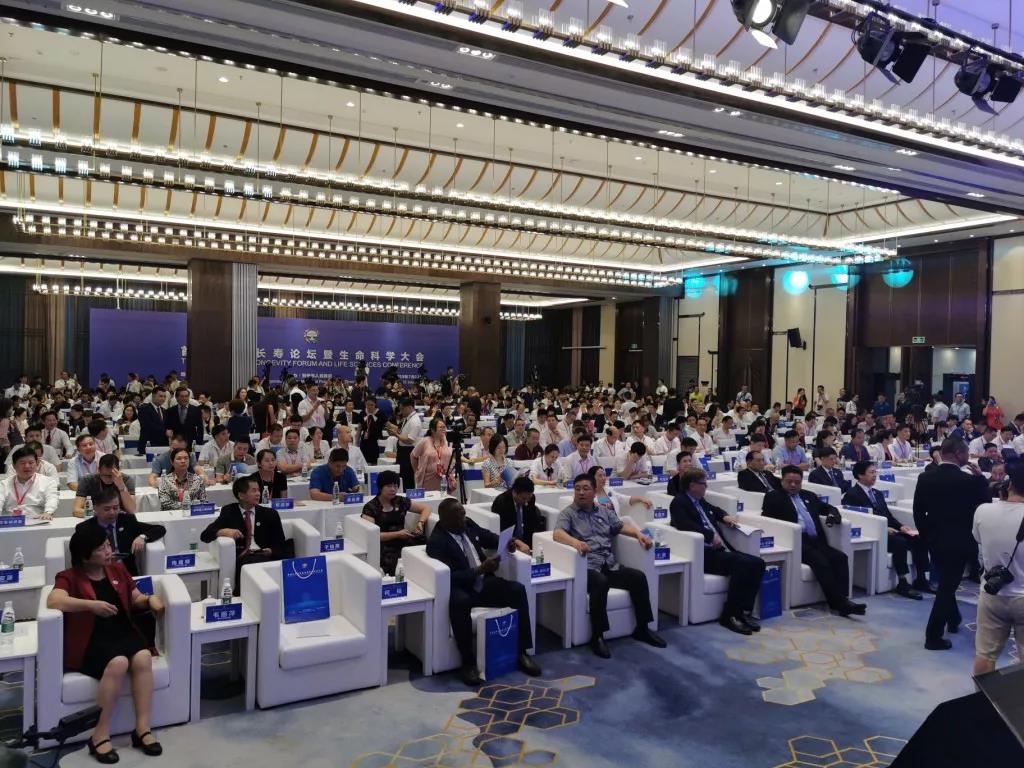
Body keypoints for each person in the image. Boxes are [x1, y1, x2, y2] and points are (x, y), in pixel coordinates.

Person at [48, 525, 166, 762]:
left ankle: (142, 729)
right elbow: (54, 600)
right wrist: (91, 606)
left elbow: (134, 597)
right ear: (85, 556)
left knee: (143, 657)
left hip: (121, 631)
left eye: (108, 545)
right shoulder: (68, 577)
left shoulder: (117, 569)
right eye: (101, 548)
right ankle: (100, 735)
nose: (108, 551)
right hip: (91, 639)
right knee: (119, 662)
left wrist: (150, 599)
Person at [426, 497, 541, 686]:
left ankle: (522, 652)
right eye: (459, 516)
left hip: (484, 582)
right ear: (446, 520)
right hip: (461, 587)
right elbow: (451, 576)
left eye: (464, 513)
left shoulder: (467, 524)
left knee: (517, 590)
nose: (464, 518)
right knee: (460, 603)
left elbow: (487, 536)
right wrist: (479, 570)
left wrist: (508, 542)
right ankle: (468, 662)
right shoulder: (437, 541)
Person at [553, 474, 666, 658]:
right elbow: (557, 533)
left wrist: (639, 534)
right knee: (601, 582)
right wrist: (575, 542)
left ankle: (643, 628)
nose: (581, 492)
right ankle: (597, 636)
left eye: (585, 489)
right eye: (577, 489)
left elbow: (620, 526)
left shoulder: (604, 511)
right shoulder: (568, 513)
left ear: (594, 491)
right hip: (586, 566)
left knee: (638, 577)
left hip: (609, 563)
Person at [913, 438, 991, 650]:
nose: (968, 457)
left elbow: (918, 511)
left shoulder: (926, 477)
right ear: (958, 454)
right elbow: (986, 506)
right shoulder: (970, 481)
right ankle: (933, 636)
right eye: (966, 453)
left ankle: (954, 617)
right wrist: (981, 479)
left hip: (934, 540)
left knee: (947, 582)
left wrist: (926, 536)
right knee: (948, 586)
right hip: (960, 541)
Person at [670, 468, 764, 635]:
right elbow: (684, 524)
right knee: (742, 565)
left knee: (758, 563)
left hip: (720, 550)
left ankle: (742, 611)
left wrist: (724, 516)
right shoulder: (679, 502)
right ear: (692, 485)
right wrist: (709, 536)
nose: (706, 487)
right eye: (703, 484)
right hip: (704, 554)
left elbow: (714, 509)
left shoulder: (699, 500)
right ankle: (730, 615)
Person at [762, 466, 866, 617]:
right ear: (782, 481)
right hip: (796, 541)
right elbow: (767, 520)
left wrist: (833, 515)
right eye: (789, 482)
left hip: (816, 540)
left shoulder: (808, 495)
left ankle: (844, 598)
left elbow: (829, 508)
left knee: (840, 558)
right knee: (821, 562)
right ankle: (839, 604)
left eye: (797, 482)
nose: (793, 485)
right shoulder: (773, 497)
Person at [843, 461, 930, 599]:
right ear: (860, 475)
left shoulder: (877, 493)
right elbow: (858, 519)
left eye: (875, 472)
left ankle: (921, 579)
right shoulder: (852, 494)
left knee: (919, 538)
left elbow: (888, 515)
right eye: (871, 472)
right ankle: (902, 582)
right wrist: (884, 528)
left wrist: (900, 526)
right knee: (900, 542)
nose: (875, 475)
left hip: (890, 529)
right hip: (875, 532)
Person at [972, 465, 1024, 675]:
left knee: (985, 655)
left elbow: (977, 538)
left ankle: (981, 695)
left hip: (992, 592)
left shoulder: (983, 511)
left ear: (1009, 485)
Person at [201, 475, 287, 592]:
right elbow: (205, 535)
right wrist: (223, 531)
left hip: (265, 556)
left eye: (258, 490)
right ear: (241, 495)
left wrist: (271, 551)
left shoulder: (270, 514)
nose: (258, 494)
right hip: (243, 557)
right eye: (253, 491)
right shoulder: (229, 512)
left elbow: (281, 543)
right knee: (249, 564)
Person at [79, 485, 165, 576]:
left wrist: (142, 537)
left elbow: (160, 529)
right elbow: (79, 559)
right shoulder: (85, 528)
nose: (112, 512)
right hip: (99, 573)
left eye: (116, 508)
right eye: (107, 509)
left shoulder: (127, 520)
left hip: (126, 572)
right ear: (95, 509)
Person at [361, 469, 429, 575]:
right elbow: (372, 535)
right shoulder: (370, 507)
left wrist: (420, 522)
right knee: (394, 560)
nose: (393, 489)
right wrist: (397, 534)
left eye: (395, 486)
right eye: (389, 486)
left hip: (403, 540)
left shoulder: (401, 501)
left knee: (425, 549)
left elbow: (426, 508)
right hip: (384, 544)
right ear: (380, 487)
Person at [0, 445, 59, 519]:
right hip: (11, 522)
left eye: (31, 463)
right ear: (14, 466)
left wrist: (48, 512)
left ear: (37, 463)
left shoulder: (48, 482)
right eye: (22, 463)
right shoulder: (4, 484)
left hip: (37, 520)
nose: (27, 466)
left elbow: (52, 499)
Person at [491, 476, 545, 552]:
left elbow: (532, 522)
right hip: (510, 543)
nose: (526, 502)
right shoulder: (501, 503)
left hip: (526, 540)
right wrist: (517, 542)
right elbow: (503, 530)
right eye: (524, 498)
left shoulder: (530, 499)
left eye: (529, 498)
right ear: (514, 492)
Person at [389, 398, 423, 492]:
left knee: (407, 478)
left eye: (402, 409)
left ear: (410, 407)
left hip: (408, 452)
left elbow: (410, 440)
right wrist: (397, 432)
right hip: (403, 451)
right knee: (401, 477)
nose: (401, 411)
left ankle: (407, 497)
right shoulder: (408, 418)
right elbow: (405, 434)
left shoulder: (415, 421)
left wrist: (396, 435)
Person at [411, 417, 453, 492]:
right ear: (433, 430)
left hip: (443, 479)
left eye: (444, 427)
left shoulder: (446, 442)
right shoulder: (425, 441)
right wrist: (417, 471)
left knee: (443, 497)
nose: (444, 429)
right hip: (427, 479)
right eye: (441, 427)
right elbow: (413, 456)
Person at [137, 386, 168, 455]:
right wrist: (166, 431)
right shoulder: (144, 409)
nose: (163, 399)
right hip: (148, 445)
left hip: (162, 446)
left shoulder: (164, 411)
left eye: (164, 396)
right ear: (153, 396)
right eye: (160, 396)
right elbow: (148, 426)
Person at [359, 397, 385, 465]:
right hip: (365, 440)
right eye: (367, 405)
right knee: (363, 461)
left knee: (375, 462)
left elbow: (388, 424)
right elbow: (359, 429)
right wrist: (356, 443)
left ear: (375, 405)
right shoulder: (362, 413)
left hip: (376, 441)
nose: (369, 407)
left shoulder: (381, 413)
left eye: (371, 405)